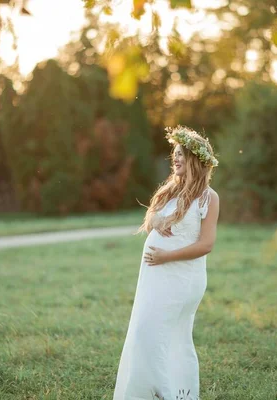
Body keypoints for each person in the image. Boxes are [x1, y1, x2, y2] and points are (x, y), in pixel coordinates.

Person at [113, 126, 220, 400]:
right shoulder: (170, 191)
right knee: (146, 333)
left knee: (161, 336)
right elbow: (150, 223)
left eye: (181, 154)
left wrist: (165, 257)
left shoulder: (208, 197)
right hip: (155, 277)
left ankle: (168, 394)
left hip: (182, 278)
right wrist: (156, 221)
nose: (176, 158)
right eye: (174, 153)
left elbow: (206, 244)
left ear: (195, 159)